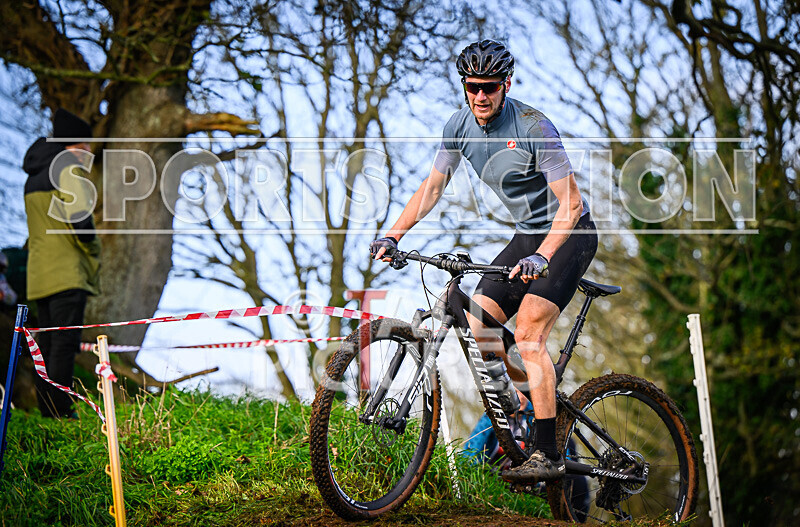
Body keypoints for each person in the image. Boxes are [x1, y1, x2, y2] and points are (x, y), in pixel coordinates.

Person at [371, 40, 598, 482]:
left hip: (570, 234)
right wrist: (393, 234)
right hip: (527, 234)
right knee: (479, 322)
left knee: (529, 331)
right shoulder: (458, 126)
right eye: (472, 86)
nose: (480, 95)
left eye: (489, 87)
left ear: (506, 84)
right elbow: (432, 187)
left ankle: (548, 452)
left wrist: (542, 256)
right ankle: (522, 401)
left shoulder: (534, 126)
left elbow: (571, 206)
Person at [23, 108, 101, 418]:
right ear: (71, 146)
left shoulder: (33, 177)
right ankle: (61, 411)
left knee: (45, 345)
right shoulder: (67, 170)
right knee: (64, 345)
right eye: (85, 145)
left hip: (39, 273)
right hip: (67, 271)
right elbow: (80, 220)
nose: (89, 152)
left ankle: (47, 410)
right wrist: (92, 247)